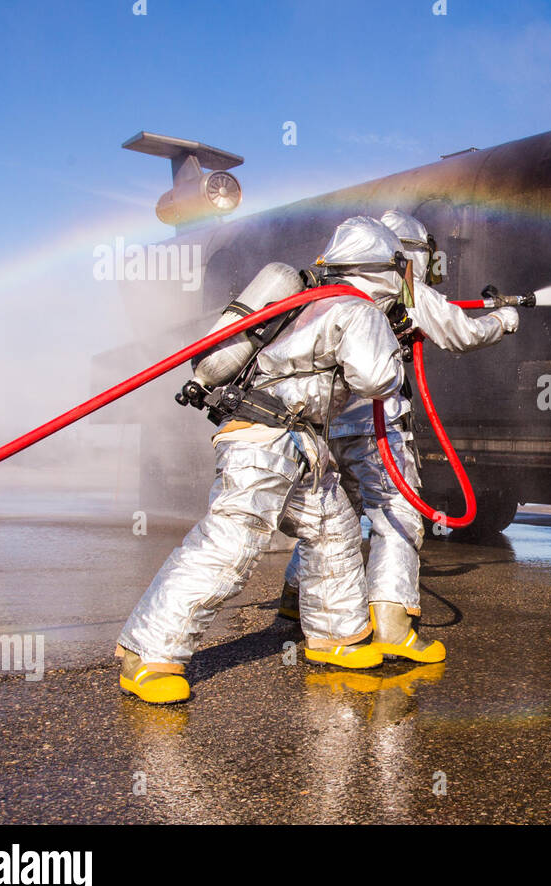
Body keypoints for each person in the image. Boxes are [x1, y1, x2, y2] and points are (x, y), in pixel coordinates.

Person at [115, 217, 409, 704]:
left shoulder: (309, 302)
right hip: (269, 440)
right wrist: (393, 339)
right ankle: (147, 654)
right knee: (232, 542)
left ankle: (337, 635)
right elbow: (378, 380)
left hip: (294, 440)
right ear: (385, 270)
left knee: (332, 528)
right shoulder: (358, 309)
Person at [277, 209, 519, 664]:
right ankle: (392, 624)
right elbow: (462, 334)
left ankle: (295, 595)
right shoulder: (407, 291)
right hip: (377, 428)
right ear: (408, 255)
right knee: (398, 516)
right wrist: (504, 320)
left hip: (326, 425)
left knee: (335, 518)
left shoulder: (327, 295)